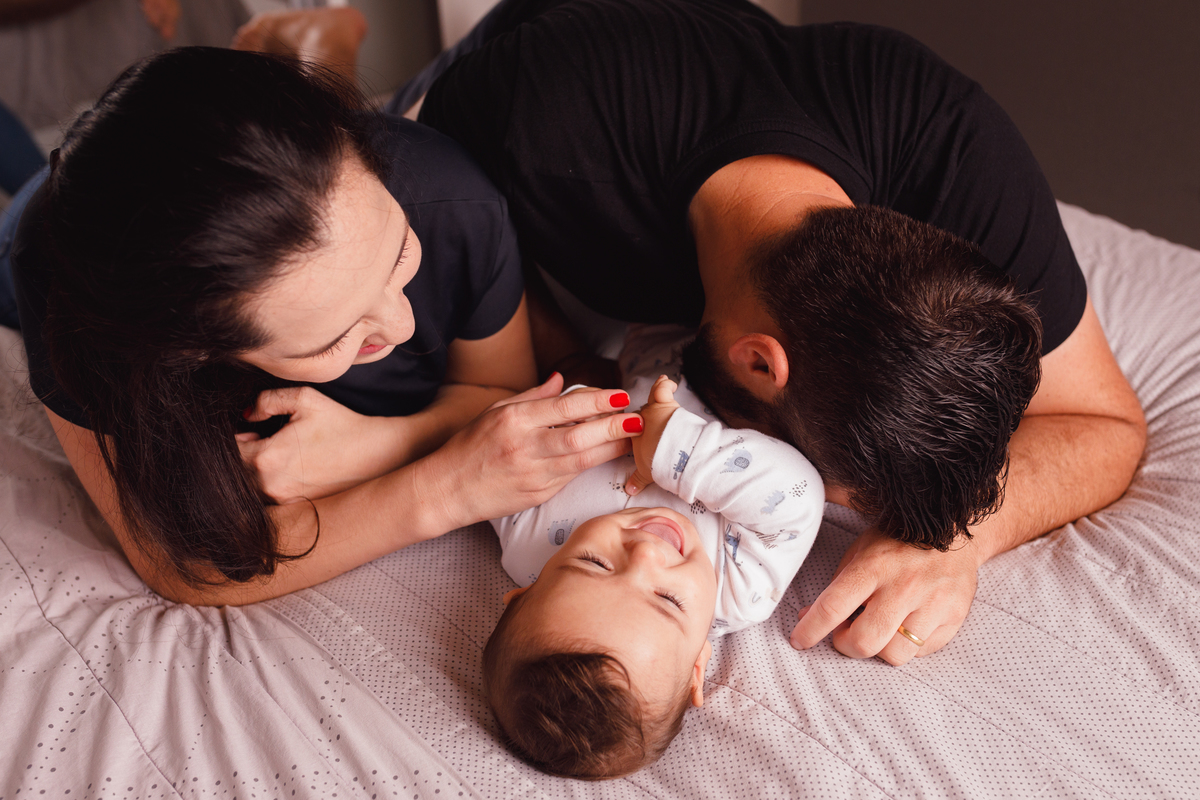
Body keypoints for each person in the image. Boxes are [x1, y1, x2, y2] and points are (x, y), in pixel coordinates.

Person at [235, 0, 1146, 665]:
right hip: (512, 64)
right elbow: (520, 355)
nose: (832, 510)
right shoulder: (534, 136)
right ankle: (296, 49)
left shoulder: (952, 152)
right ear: (760, 360)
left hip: (702, 76)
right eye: (846, 493)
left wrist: (955, 538)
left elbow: (1105, 426)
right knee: (345, 144)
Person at [5, 45, 645, 606]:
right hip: (38, 247)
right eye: (334, 337)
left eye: (398, 254)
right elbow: (186, 565)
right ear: (197, 352)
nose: (402, 322)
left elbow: (504, 394)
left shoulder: (450, 196)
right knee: (26, 198)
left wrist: (374, 446)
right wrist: (445, 489)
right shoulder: (83, 310)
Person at [485, 329, 824, 778]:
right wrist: (674, 448)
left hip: (641, 333)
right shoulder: (740, 593)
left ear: (523, 593)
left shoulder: (525, 541)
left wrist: (566, 412)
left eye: (595, 563)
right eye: (668, 600)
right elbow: (797, 496)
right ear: (697, 668)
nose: (645, 554)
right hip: (750, 374)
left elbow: (497, 447)